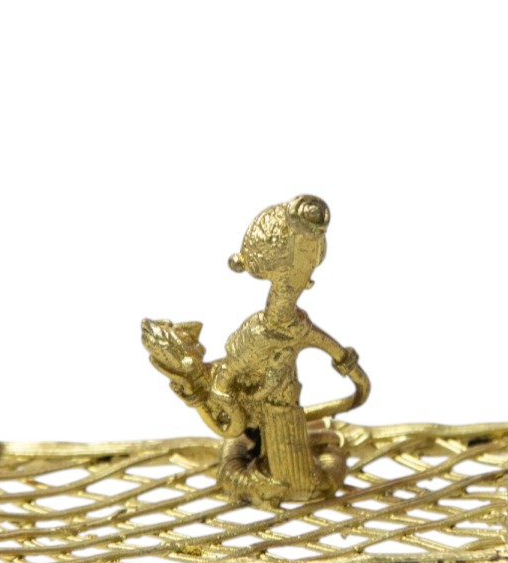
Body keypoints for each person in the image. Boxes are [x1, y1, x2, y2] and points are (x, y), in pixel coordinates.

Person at [142, 195, 370, 502]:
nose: (304, 275)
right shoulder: (256, 335)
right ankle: (251, 463)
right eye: (301, 263)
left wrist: (346, 363)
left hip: (284, 424)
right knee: (303, 482)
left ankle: (290, 453)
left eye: (309, 262)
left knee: (314, 480)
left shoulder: (299, 326)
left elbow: (355, 383)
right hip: (270, 425)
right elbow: (225, 385)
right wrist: (246, 396)